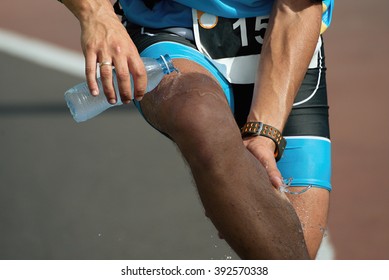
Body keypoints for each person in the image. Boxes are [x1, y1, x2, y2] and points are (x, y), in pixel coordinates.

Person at [58, 0, 334, 259]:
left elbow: (297, 7)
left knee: (288, 242)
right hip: (171, 29)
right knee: (200, 113)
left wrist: (264, 133)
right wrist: (96, 14)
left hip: (287, 31)